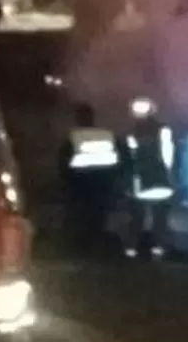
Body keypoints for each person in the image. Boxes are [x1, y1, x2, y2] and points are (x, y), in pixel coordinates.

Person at [58, 102, 120, 255]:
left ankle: (81, 249)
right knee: (97, 219)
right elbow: (117, 160)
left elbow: (63, 162)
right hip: (100, 186)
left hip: (80, 187)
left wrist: (67, 182)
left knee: (81, 218)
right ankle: (96, 248)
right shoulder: (105, 136)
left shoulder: (73, 138)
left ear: (78, 118)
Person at [122, 96, 176, 260]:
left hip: (142, 182)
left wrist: (128, 182)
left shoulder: (131, 133)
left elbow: (130, 160)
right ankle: (157, 248)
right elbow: (169, 157)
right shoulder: (164, 129)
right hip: (160, 181)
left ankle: (132, 249)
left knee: (138, 216)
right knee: (159, 216)